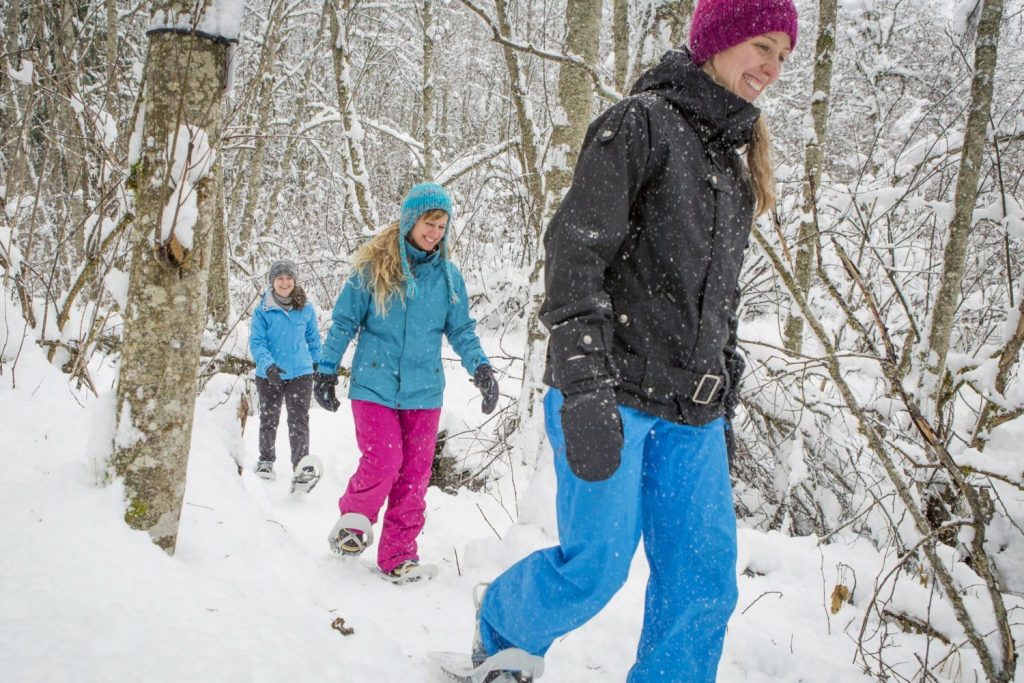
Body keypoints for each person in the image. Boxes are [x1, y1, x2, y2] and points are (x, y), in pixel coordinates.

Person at [465, 0, 798, 679]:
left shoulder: (736, 172)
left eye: (783, 57)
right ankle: (504, 626)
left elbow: (719, 303)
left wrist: (723, 394)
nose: (770, 67)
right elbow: (575, 257)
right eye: (761, 45)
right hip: (610, 391)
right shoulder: (639, 125)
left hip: (692, 415)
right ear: (720, 36)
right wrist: (584, 387)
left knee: (702, 583)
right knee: (597, 565)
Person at [314, 183, 500, 583]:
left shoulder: (448, 278)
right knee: (384, 459)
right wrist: (327, 368)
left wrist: (481, 369)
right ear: (410, 221)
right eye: (429, 223)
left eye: (442, 225)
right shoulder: (374, 268)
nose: (435, 232)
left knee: (414, 476)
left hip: (424, 391)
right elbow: (345, 321)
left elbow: (462, 330)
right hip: (374, 384)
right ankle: (353, 522)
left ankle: (398, 555)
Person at [249, 259, 323, 492]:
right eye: (280, 278)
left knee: (298, 419)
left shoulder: (306, 308)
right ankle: (266, 461)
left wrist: (319, 365)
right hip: (270, 374)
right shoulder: (263, 311)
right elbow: (257, 342)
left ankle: (300, 466)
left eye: (289, 278)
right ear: (272, 281)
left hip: (301, 372)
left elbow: (313, 339)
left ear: (294, 281)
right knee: (269, 418)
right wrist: (268, 365)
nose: (285, 282)